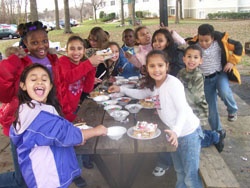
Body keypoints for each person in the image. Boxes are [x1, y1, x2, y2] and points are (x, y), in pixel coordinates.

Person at [108, 50, 203, 188]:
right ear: (146, 68)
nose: (156, 69)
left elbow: (182, 109)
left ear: (167, 66)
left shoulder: (173, 84)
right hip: (174, 134)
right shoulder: (155, 84)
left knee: (190, 177)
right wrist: (121, 89)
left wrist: (176, 131)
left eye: (160, 65)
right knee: (179, 171)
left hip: (188, 133)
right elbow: (141, 93)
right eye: (152, 66)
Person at [9, 63, 107, 187]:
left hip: (51, 171)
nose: (39, 82)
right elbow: (64, 134)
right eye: (33, 79)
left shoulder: (37, 108)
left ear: (50, 86)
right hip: (47, 177)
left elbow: (57, 133)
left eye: (44, 79)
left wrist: (75, 138)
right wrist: (96, 131)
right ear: (23, 85)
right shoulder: (34, 114)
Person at [0, 20, 60, 188]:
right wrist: (12, 61)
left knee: (37, 172)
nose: (41, 46)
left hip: (44, 124)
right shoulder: (21, 63)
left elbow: (58, 90)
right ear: (25, 43)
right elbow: (4, 94)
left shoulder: (52, 60)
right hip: (21, 125)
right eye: (34, 42)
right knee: (22, 179)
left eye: (44, 41)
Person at [187, 24, 244, 131]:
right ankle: (217, 130)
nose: (203, 43)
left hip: (219, 74)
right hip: (205, 80)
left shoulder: (220, 42)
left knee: (224, 92)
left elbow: (238, 46)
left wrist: (232, 62)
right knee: (211, 108)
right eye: (201, 40)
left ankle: (232, 110)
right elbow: (181, 44)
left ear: (212, 38)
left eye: (207, 41)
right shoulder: (194, 45)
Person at [58, 35, 103, 122]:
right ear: (66, 50)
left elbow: (87, 89)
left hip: (73, 109)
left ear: (84, 51)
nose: (76, 52)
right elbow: (69, 77)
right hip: (61, 110)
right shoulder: (63, 61)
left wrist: (92, 68)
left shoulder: (82, 66)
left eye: (79, 49)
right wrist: (89, 63)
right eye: (72, 49)